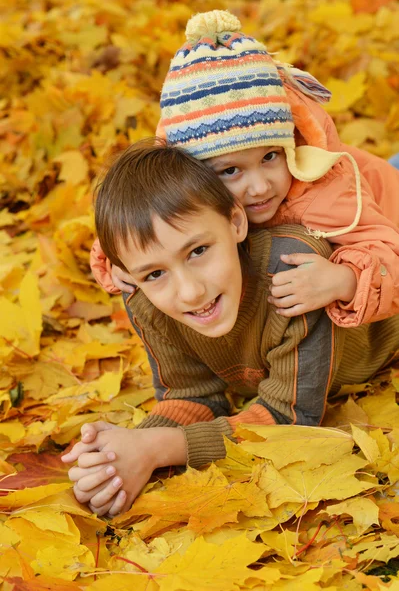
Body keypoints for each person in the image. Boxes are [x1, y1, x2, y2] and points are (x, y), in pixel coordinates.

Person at [62, 141, 399, 516]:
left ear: (237, 222)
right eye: (155, 274)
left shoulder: (294, 276)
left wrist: (161, 447)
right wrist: (118, 456)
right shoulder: (142, 297)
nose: (190, 292)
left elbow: (289, 419)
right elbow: (190, 394)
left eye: (198, 251)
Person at [90, 9, 399, 328]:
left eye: (269, 157)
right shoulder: (188, 192)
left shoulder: (323, 191)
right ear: (191, 176)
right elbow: (139, 216)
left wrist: (344, 280)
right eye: (230, 171)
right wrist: (119, 260)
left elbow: (392, 256)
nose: (261, 186)